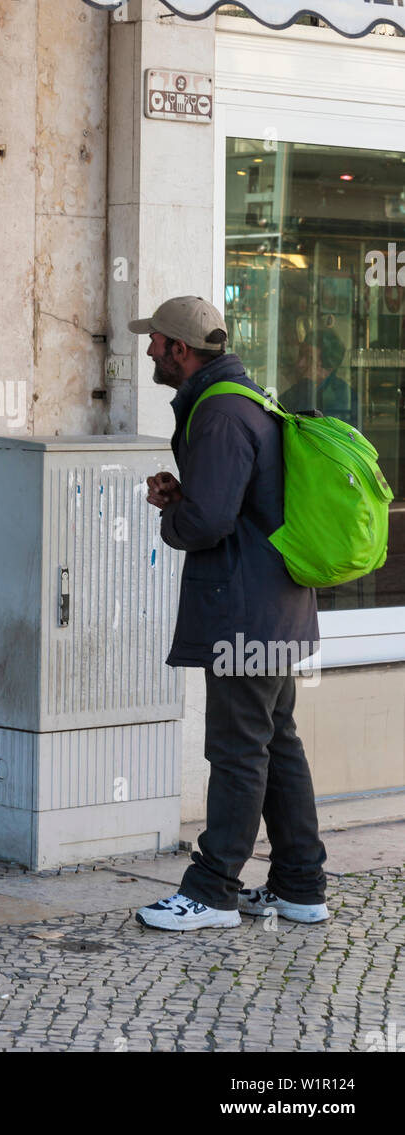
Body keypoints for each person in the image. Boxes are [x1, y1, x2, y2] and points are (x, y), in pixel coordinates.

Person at [127, 296, 328, 931]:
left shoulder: (217, 413)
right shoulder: (245, 400)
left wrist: (173, 516)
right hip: (275, 604)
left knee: (239, 749)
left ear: (181, 350)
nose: (150, 350)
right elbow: (239, 503)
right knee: (278, 743)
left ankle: (212, 890)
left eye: (157, 341)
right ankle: (300, 884)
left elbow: (212, 521)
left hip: (244, 609)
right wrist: (187, 498)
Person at [280, 330, 356, 424]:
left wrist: (306, 383)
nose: (300, 364)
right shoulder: (300, 387)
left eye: (310, 358)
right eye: (300, 355)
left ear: (327, 369)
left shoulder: (339, 396)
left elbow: (302, 423)